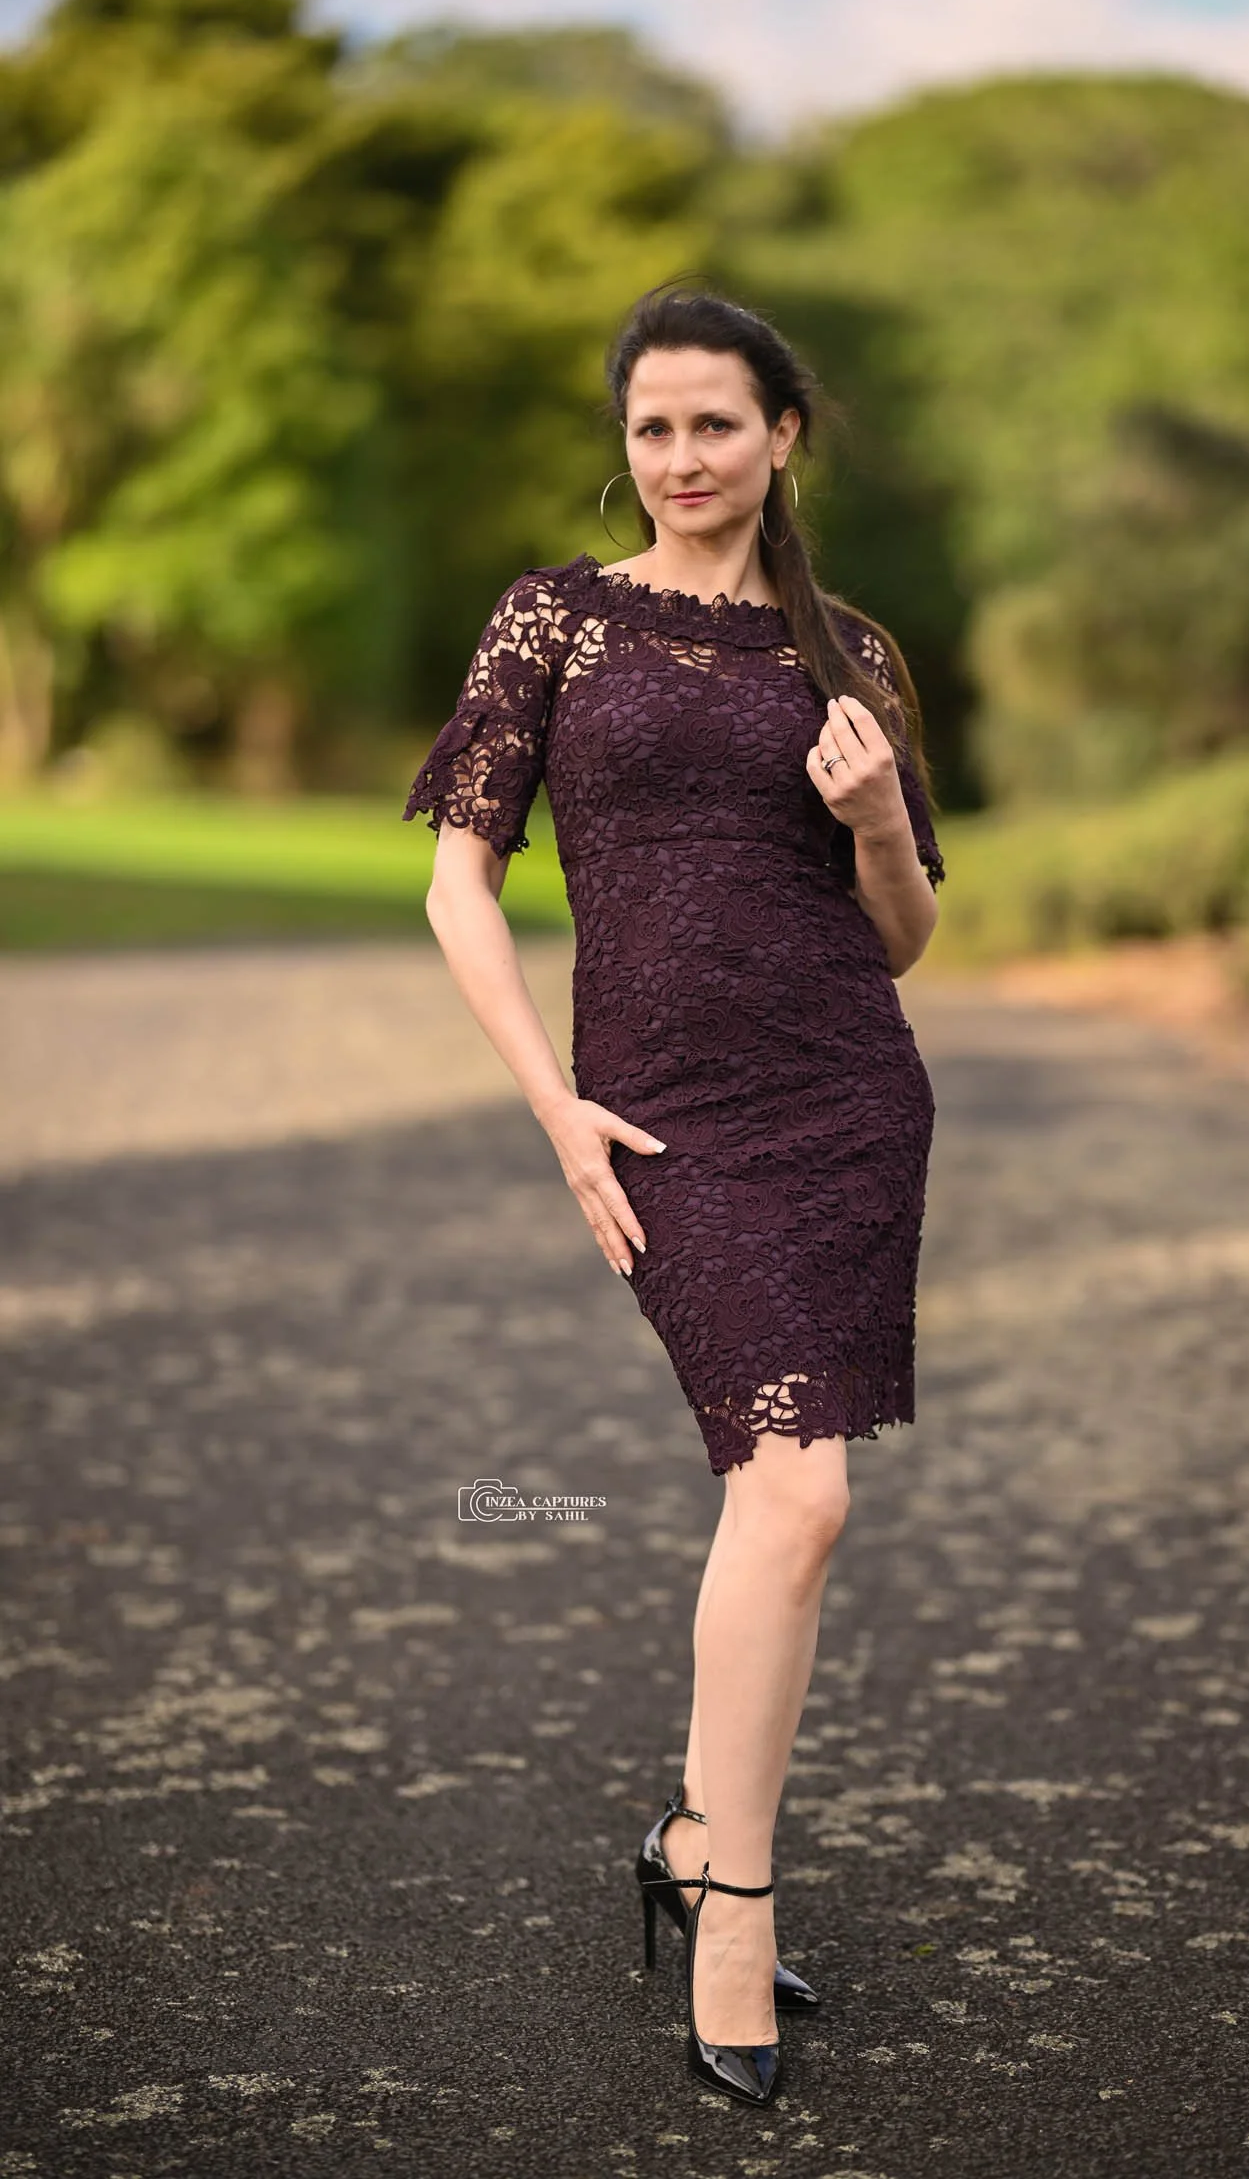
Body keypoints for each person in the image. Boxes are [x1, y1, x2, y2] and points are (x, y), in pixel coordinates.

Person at [403, 283, 945, 2107]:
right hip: (659, 1114)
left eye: (717, 422)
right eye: (653, 427)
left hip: (845, 1096)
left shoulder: (848, 651)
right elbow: (460, 883)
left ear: (782, 434)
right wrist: (554, 1106)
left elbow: (905, 935)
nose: (683, 457)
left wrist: (873, 821)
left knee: (792, 1502)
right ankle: (726, 1887)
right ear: (626, 444)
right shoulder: (551, 620)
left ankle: (707, 1851)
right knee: (796, 1494)